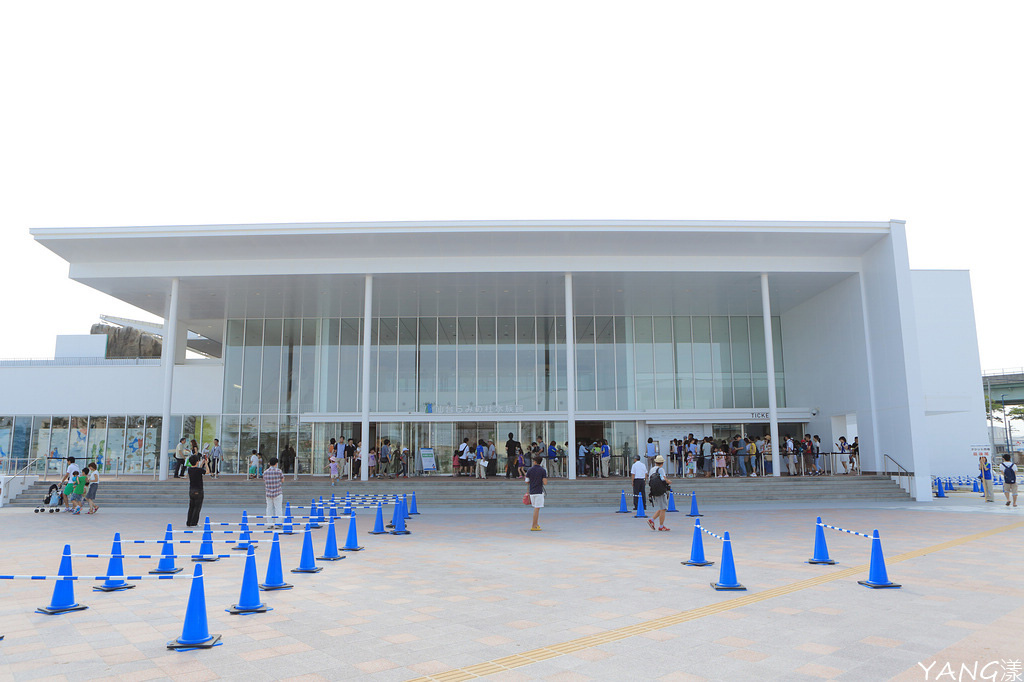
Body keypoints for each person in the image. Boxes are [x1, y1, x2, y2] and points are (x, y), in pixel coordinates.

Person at [647, 455, 671, 531]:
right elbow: (663, 479)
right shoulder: (661, 469)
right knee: (663, 508)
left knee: (661, 507)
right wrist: (668, 482)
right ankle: (661, 526)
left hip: (654, 490)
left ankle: (652, 520)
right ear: (662, 463)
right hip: (661, 490)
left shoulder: (652, 469)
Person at [186, 452, 209, 527]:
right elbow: (207, 472)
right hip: (199, 490)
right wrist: (206, 464)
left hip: (191, 490)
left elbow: (197, 469)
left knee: (191, 507)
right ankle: (194, 523)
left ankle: (189, 522)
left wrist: (201, 464)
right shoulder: (198, 470)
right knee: (197, 507)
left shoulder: (189, 470)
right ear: (197, 462)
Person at [526, 455, 547, 531]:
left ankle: (536, 524)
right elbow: (545, 482)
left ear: (534, 462)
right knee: (537, 509)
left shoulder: (529, 470)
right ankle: (534, 525)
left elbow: (527, 481)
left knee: (535, 507)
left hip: (532, 491)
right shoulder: (542, 470)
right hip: (538, 491)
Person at [264, 456, 285, 525]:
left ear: (269, 463)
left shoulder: (265, 472)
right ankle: (278, 523)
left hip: (268, 492)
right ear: (276, 463)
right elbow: (282, 480)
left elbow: (265, 480)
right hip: (277, 492)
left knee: (269, 508)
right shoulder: (279, 471)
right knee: (278, 508)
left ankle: (269, 523)